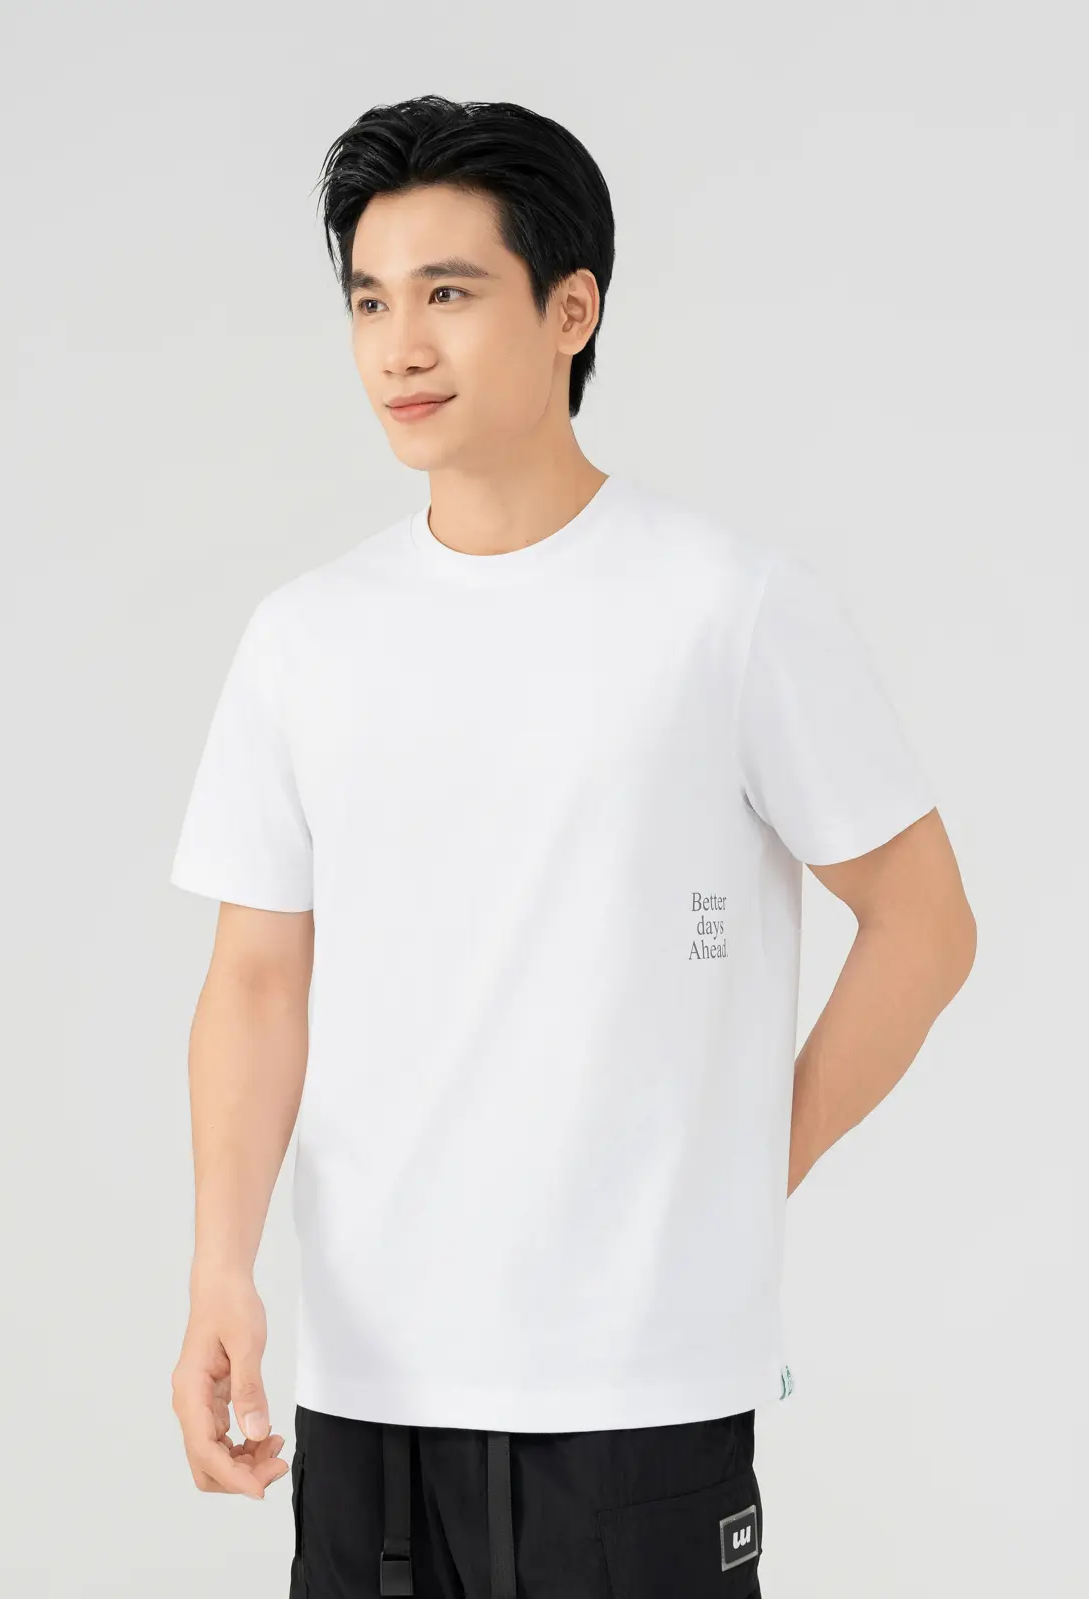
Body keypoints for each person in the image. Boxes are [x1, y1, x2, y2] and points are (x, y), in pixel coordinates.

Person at [167, 94, 976, 1597]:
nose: (400, 346)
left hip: (636, 1400)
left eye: (449, 293)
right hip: (368, 1396)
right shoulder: (305, 639)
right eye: (369, 302)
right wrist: (223, 1267)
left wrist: (754, 1164)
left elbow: (926, 924)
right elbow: (257, 980)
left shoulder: (727, 609)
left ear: (570, 311)